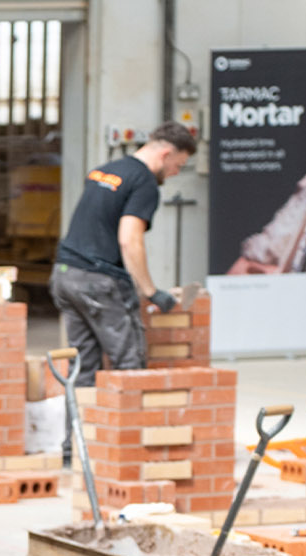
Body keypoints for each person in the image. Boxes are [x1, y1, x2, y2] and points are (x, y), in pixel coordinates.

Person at [50, 122, 197, 382]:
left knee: (83, 365)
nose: (175, 173)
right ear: (166, 154)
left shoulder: (105, 171)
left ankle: (78, 422)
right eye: (179, 165)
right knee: (129, 364)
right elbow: (129, 240)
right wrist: (151, 292)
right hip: (98, 281)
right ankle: (129, 423)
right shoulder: (144, 183)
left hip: (65, 275)